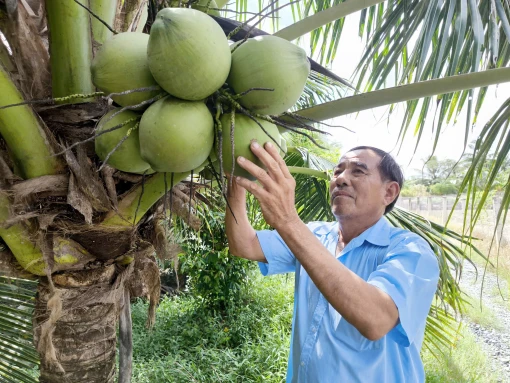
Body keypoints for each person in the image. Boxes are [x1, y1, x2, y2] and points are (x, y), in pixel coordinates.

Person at [225, 142, 440, 383]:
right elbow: (244, 243)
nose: (341, 179)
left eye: (358, 171)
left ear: (389, 192)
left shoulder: (411, 251)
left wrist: (287, 220)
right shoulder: (315, 235)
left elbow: (375, 319)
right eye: (338, 171)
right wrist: (236, 176)